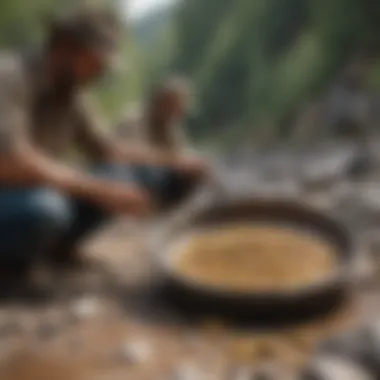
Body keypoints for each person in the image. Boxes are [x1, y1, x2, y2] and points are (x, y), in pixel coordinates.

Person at [0, 7, 207, 272]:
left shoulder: (72, 95)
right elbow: (10, 161)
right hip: (14, 195)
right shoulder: (9, 76)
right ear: (67, 46)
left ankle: (52, 251)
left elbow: (107, 149)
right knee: (45, 209)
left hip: (31, 193)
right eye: (96, 62)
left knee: (116, 176)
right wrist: (99, 189)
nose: (99, 73)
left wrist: (176, 161)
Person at [117, 76, 203, 207]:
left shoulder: (172, 129)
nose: (178, 111)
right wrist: (174, 161)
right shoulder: (134, 120)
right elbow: (133, 157)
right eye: (173, 105)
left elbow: (181, 156)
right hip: (129, 177)